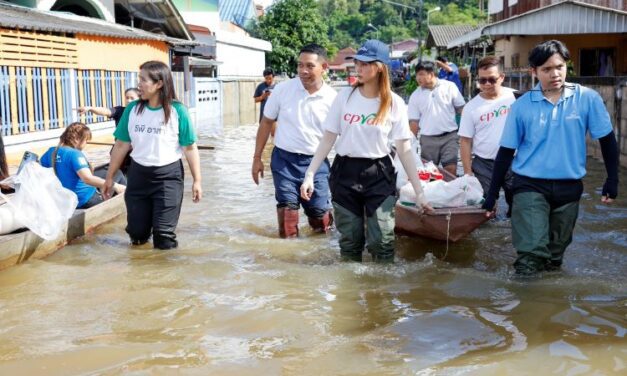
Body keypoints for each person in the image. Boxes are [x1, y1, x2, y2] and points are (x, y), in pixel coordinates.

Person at [482, 40, 619, 276]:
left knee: (554, 261)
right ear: (534, 72)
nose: (555, 74)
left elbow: (607, 140)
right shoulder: (522, 106)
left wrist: (612, 180)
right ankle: (524, 309)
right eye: (546, 69)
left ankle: (549, 308)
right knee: (530, 258)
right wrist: (492, 194)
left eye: (560, 66)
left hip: (569, 189)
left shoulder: (587, 99)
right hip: (529, 186)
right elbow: (505, 152)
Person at [300, 40, 432, 262]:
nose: (358, 68)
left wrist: (419, 193)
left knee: (382, 241)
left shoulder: (394, 103)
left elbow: (405, 150)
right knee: (350, 241)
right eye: (357, 63)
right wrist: (310, 175)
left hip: (379, 173)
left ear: (379, 66)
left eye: (364, 64)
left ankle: (380, 293)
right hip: (345, 172)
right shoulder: (345, 97)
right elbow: (328, 138)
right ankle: (349, 292)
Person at [102, 60, 202, 250]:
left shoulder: (177, 111)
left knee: (164, 236)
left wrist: (197, 180)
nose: (139, 84)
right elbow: (121, 144)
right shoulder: (133, 110)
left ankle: (166, 277)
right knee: (137, 235)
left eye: (143, 80)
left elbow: (189, 148)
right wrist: (109, 177)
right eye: (139, 79)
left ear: (159, 84)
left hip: (168, 178)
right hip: (138, 176)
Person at [251, 44, 337, 238]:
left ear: (324, 68)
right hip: (284, 161)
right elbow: (266, 122)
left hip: (316, 163)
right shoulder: (283, 90)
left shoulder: (333, 99)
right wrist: (257, 158)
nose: (303, 71)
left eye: (309, 66)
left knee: (320, 220)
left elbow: (340, 137)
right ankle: (287, 260)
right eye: (299, 65)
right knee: (288, 216)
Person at [458, 56, 516, 216]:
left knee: (517, 203)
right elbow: (465, 141)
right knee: (487, 207)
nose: (487, 84)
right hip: (485, 163)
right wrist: (468, 171)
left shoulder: (515, 98)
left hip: (515, 161)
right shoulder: (471, 107)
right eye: (482, 81)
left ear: (502, 77)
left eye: (492, 79)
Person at [40, 122, 126, 209]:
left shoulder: (51, 151)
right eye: (86, 140)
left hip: (65, 198)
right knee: (117, 174)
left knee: (114, 173)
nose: (86, 143)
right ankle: (125, 204)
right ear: (77, 139)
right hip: (84, 199)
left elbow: (40, 169)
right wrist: (116, 186)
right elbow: (87, 178)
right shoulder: (74, 154)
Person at [408, 61, 465, 176]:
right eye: (417, 75)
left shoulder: (449, 87)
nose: (418, 78)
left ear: (432, 73)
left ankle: (451, 193)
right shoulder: (415, 96)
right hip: (428, 139)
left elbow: (461, 109)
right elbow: (414, 122)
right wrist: (410, 143)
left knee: (451, 170)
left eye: (422, 74)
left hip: (449, 136)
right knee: (430, 173)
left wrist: (466, 133)